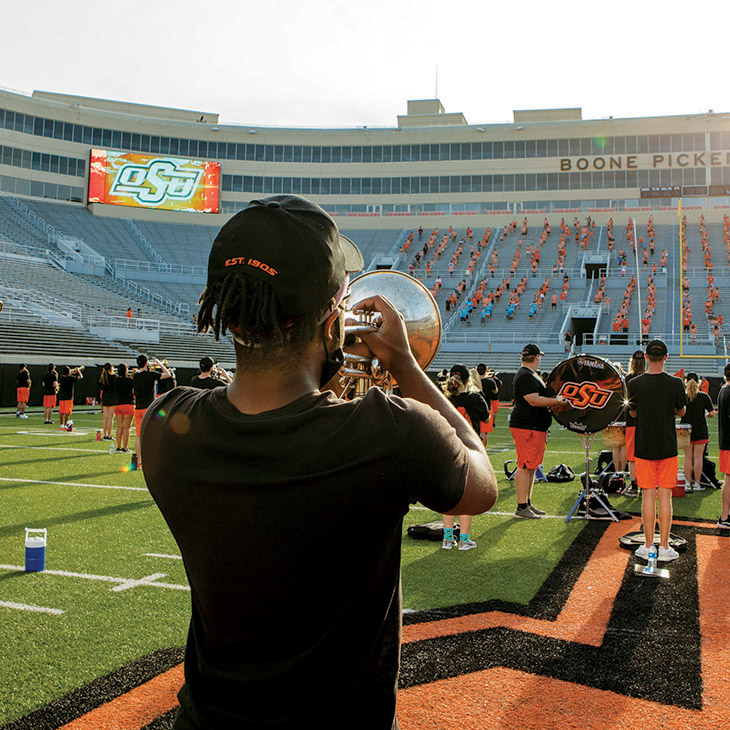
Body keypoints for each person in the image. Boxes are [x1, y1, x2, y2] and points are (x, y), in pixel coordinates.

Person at [140, 194, 497, 729]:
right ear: (334, 317)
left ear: (224, 307)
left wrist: (319, 379)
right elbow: (482, 483)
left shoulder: (162, 425)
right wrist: (402, 361)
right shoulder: (392, 430)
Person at [627, 339, 686, 562]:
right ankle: (664, 546)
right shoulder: (675, 383)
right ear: (666, 357)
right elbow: (681, 412)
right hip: (667, 446)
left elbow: (632, 414)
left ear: (646, 355)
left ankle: (649, 544)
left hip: (644, 446)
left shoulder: (635, 383)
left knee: (648, 496)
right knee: (665, 496)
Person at [509, 344, 565, 519]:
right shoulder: (525, 375)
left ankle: (527, 502)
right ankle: (521, 506)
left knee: (532, 466)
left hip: (534, 426)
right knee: (525, 466)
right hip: (527, 426)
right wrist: (556, 401)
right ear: (536, 357)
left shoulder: (530, 374)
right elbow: (533, 400)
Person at [441, 364, 490, 551]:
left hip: (449, 449)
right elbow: (485, 419)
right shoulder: (476, 398)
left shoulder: (445, 399)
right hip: (470, 449)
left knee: (449, 495)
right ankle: (464, 540)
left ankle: (447, 539)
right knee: (466, 495)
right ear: (468, 380)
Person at [132, 355, 171, 465]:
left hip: (138, 408)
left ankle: (139, 460)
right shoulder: (150, 375)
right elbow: (168, 375)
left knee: (139, 436)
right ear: (146, 363)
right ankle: (152, 458)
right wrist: (159, 364)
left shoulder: (135, 375)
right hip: (149, 408)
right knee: (153, 433)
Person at [681, 372, 715, 491]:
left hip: (685, 430)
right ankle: (697, 483)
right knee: (698, 457)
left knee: (687, 457)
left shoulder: (683, 396)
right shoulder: (704, 396)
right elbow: (712, 413)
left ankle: (687, 482)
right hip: (700, 428)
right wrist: (704, 415)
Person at [623, 350, 646, 496]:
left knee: (632, 457)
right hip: (646, 420)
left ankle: (633, 485)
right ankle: (645, 484)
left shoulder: (628, 379)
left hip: (631, 420)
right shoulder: (647, 377)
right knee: (644, 456)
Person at [716, 363, 730, 527]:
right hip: (728, 441)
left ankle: (726, 515)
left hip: (726, 440)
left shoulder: (724, 390)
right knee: (728, 479)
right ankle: (725, 517)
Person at [113, 363, 134, 452]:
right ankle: (125, 447)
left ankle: (119, 447)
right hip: (128, 404)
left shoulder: (116, 380)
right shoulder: (130, 380)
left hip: (117, 405)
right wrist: (134, 373)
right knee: (126, 428)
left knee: (119, 427)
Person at [58, 366, 83, 430]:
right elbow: (81, 377)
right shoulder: (70, 378)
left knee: (61, 412)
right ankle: (66, 425)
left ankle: (61, 425)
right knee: (67, 413)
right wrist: (78, 371)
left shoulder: (61, 378)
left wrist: (72, 371)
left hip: (61, 397)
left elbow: (66, 374)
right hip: (68, 397)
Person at [98, 363, 116, 440]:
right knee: (110, 418)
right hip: (112, 398)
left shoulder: (102, 378)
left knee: (105, 417)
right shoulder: (113, 377)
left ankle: (105, 434)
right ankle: (109, 434)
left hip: (105, 398)